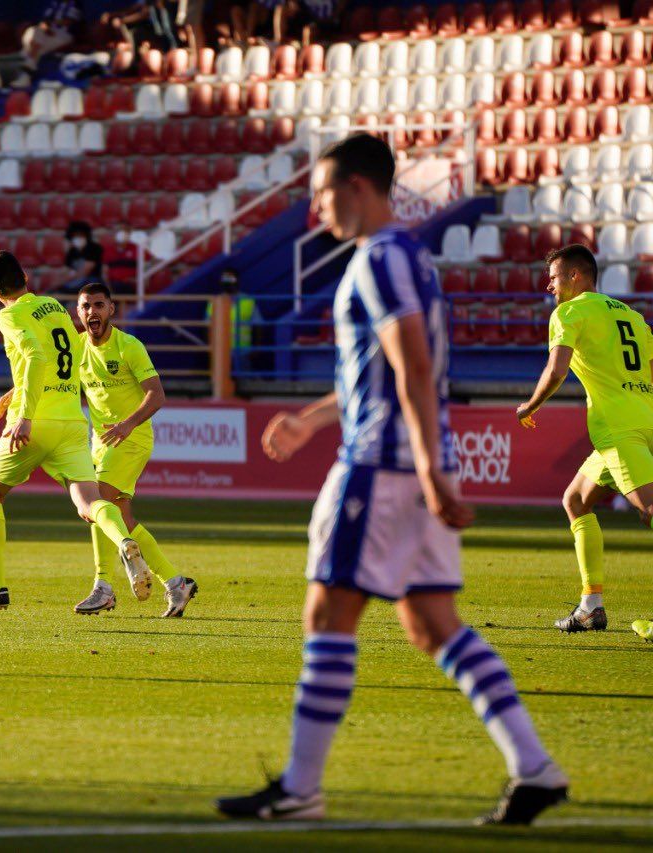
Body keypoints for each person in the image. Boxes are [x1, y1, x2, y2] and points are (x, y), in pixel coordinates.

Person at [215, 134, 567, 825]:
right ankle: (535, 767)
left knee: (327, 613)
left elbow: (411, 365)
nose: (315, 207)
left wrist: (431, 468)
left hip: (382, 467)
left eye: (321, 191)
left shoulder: (379, 259)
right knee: (433, 623)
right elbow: (381, 370)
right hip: (407, 460)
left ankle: (300, 787)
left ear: (357, 188)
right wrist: (314, 420)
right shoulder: (409, 259)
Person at [0, 250, 148, 610]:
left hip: (34, 422)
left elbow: (35, 356)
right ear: (25, 276)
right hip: (71, 420)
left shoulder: (8, 314)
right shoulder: (53, 306)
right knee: (90, 502)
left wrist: (25, 412)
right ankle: (124, 542)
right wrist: (17, 389)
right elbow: (67, 357)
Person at [515, 244, 653, 633]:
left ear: (577, 276)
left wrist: (531, 406)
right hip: (644, 420)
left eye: (555, 278)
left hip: (617, 430)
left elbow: (556, 369)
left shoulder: (569, 313)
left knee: (650, 510)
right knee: (575, 500)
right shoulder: (633, 316)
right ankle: (591, 606)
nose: (550, 287)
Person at [71, 282, 197, 617]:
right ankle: (176, 583)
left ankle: (103, 587)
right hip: (101, 443)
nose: (91, 312)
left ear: (111, 309)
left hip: (133, 438)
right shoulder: (76, 346)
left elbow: (156, 395)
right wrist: (19, 392)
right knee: (120, 519)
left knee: (95, 503)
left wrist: (127, 424)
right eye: (85, 306)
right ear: (78, 312)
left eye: (99, 305)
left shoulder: (129, 346)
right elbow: (47, 374)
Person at [12, 0, 85, 87]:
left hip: (65, 35)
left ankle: (26, 68)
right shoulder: (55, 3)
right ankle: (27, 71)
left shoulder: (75, 3)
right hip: (47, 34)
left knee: (37, 43)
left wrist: (50, 25)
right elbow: (45, 19)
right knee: (35, 32)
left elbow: (69, 22)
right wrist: (46, 27)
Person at [61, 220, 105, 293]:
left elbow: (86, 270)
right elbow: (66, 270)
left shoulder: (94, 248)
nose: (78, 238)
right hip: (75, 280)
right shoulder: (72, 251)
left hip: (92, 280)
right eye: (75, 235)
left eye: (81, 235)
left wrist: (68, 279)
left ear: (86, 235)